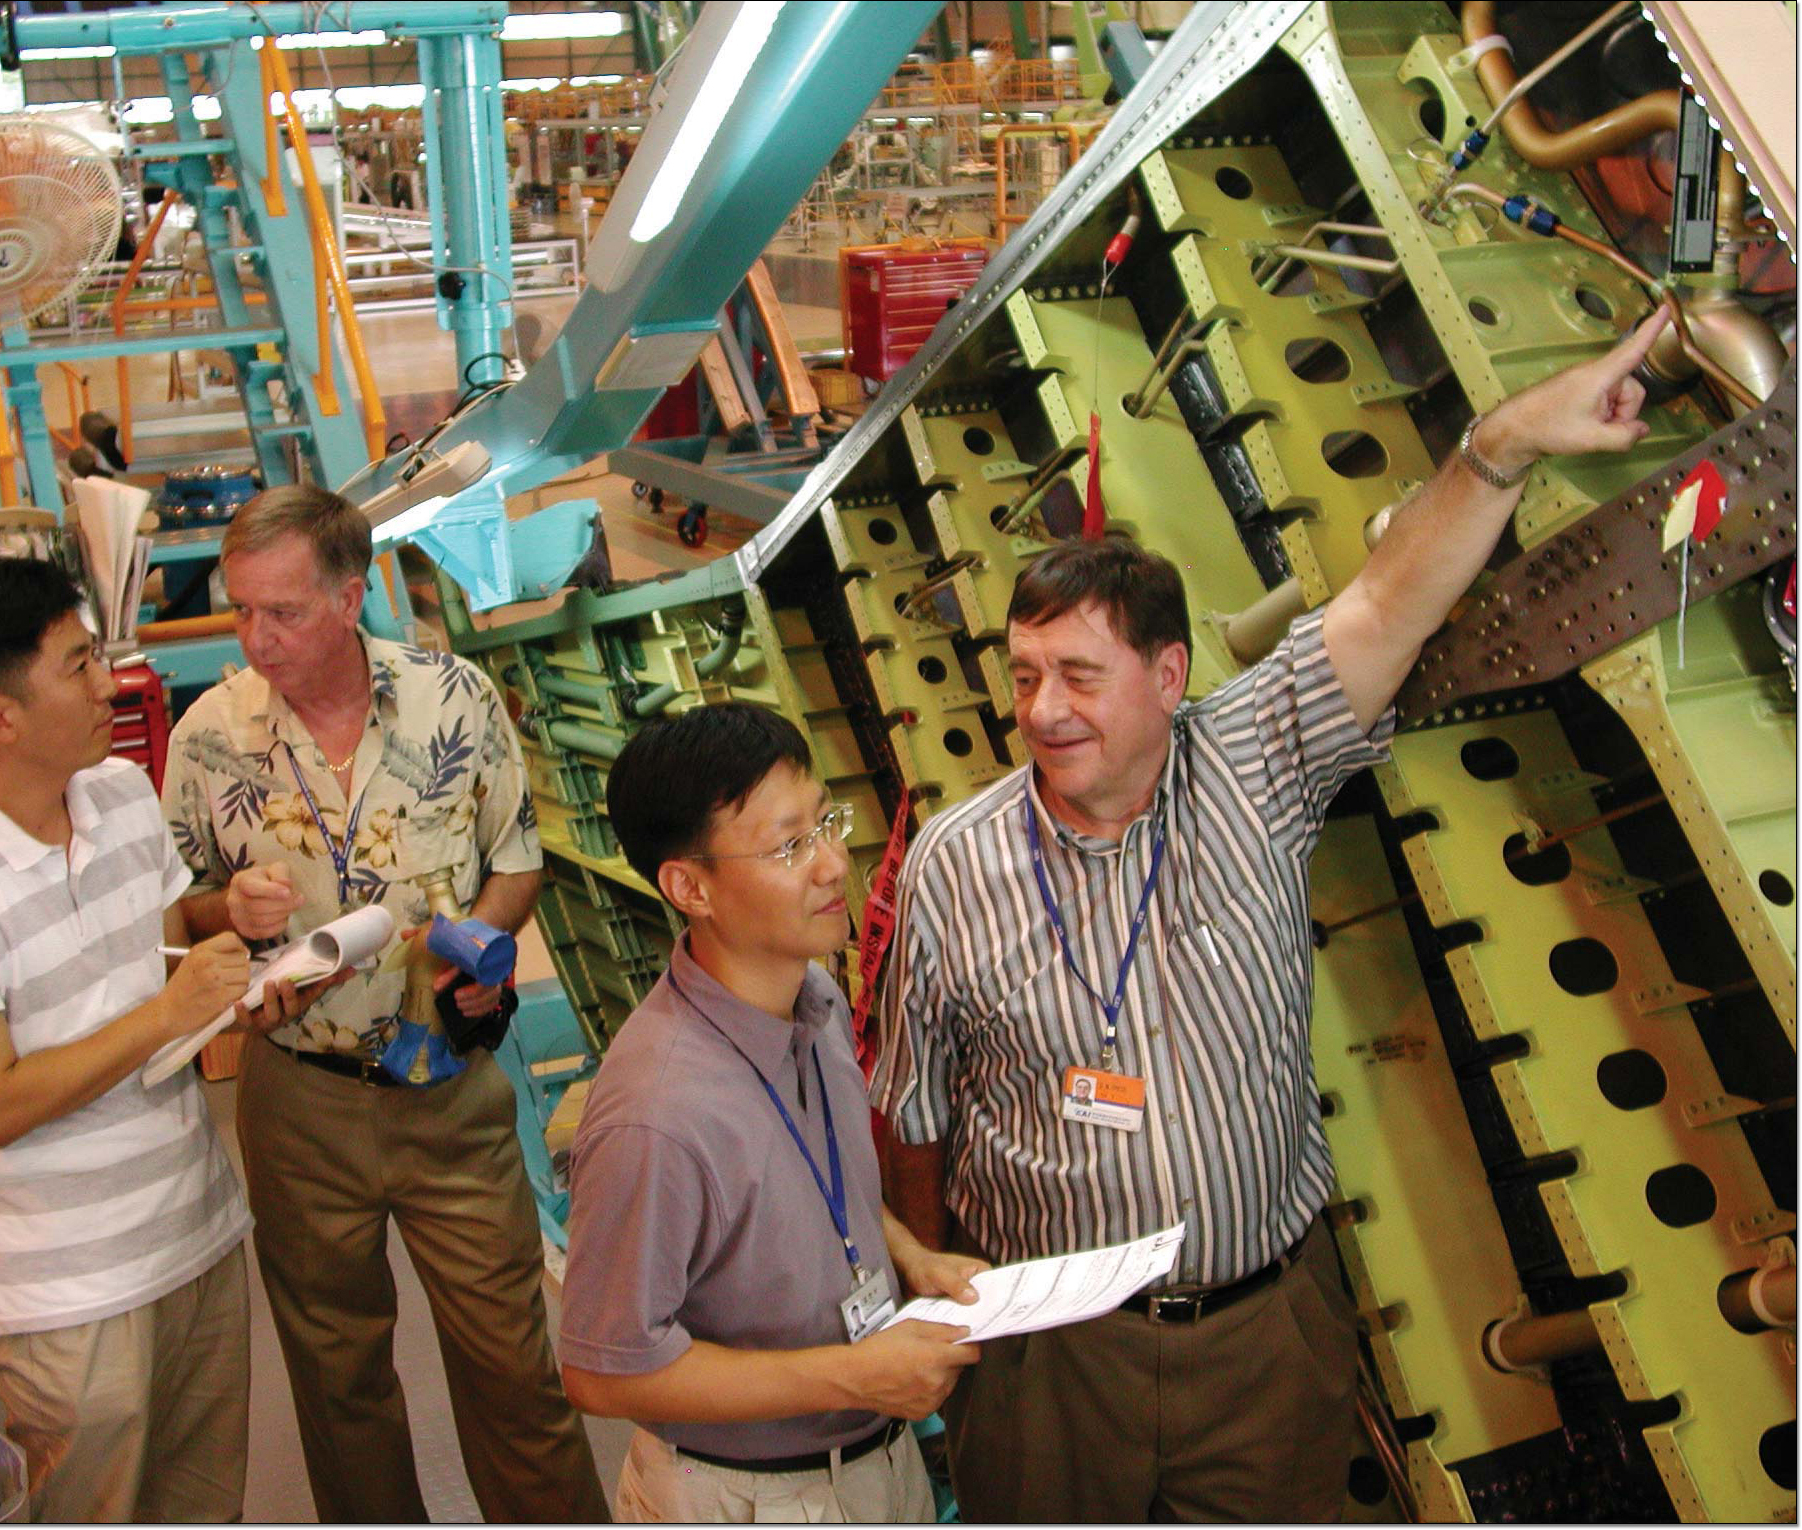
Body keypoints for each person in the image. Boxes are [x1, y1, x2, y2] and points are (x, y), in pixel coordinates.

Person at [872, 313, 1674, 1520]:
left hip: (1260, 1339)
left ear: (1168, 677)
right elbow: (913, 1121)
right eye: (1026, 674)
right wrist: (951, 1310)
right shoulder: (954, 860)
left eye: (1080, 677)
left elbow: (1388, 607)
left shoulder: (1252, 762)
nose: (1043, 712)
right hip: (1054, 1356)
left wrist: (1501, 446)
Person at [160, 484, 606, 1523]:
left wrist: (485, 941)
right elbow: (174, 911)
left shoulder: (453, 698)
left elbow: (517, 858)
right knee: (337, 1380)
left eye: (286, 612)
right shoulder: (209, 735)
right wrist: (228, 904)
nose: (257, 639)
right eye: (241, 611)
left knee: (513, 1371)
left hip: (448, 1087)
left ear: (351, 596)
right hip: (299, 1101)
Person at [0, 556, 266, 1522]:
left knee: (204, 1510)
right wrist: (167, 1015)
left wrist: (242, 942)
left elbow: (167, 970)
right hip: (72, 1297)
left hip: (199, 1237)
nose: (110, 684)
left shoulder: (123, 792)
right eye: (80, 664)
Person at [559, 702, 987, 1522]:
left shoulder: (812, 993)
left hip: (875, 1462)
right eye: (791, 846)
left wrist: (908, 1256)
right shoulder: (657, 1115)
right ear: (690, 886)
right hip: (746, 1496)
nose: (835, 864)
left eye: (828, 822)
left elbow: (809, 1176)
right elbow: (601, 1370)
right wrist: (852, 1374)